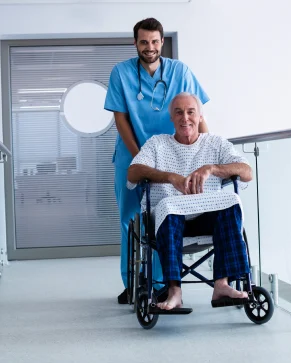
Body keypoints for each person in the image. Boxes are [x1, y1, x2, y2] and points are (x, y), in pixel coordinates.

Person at [104, 17, 210, 304]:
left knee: (163, 217)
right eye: (143, 42)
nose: (149, 47)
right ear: (135, 43)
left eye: (154, 41)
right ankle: (134, 285)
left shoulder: (180, 71)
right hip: (132, 155)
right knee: (130, 221)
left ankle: (161, 282)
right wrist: (140, 157)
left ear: (162, 42)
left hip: (171, 157)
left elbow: (197, 114)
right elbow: (120, 118)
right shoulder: (121, 73)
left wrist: (208, 149)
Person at [127, 92, 252, 310]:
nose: (185, 118)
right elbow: (133, 172)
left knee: (231, 201)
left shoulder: (216, 143)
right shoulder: (157, 144)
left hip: (208, 220)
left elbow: (247, 171)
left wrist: (211, 168)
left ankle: (222, 284)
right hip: (170, 223)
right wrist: (170, 177)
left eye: (190, 112)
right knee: (169, 207)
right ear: (171, 119)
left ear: (200, 116)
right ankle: (174, 292)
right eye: (179, 112)